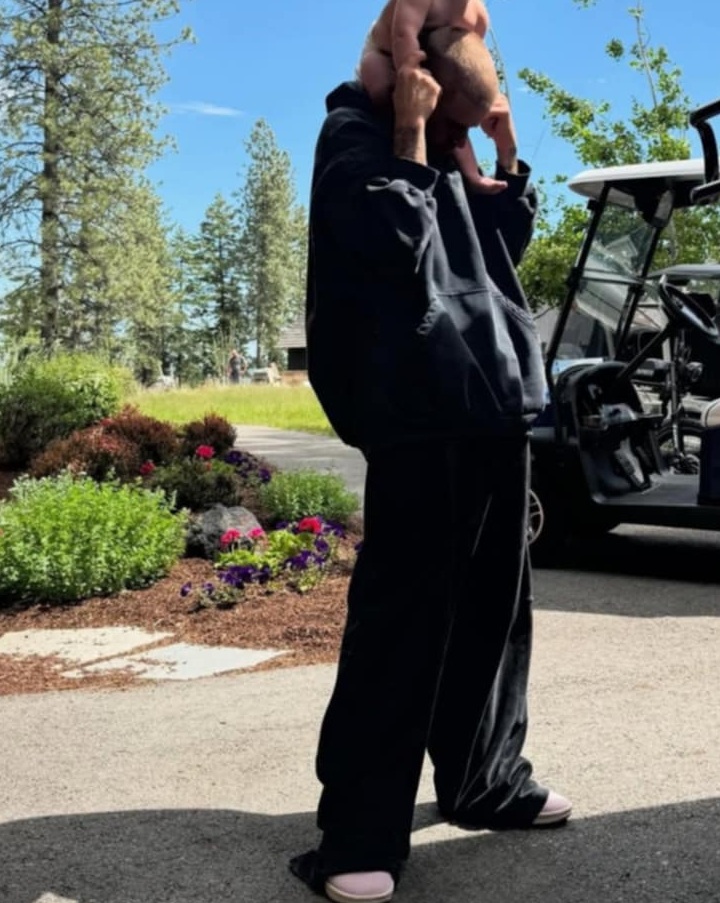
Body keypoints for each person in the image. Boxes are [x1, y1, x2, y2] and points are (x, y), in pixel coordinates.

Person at [290, 25, 571, 903]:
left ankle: (485, 780)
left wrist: (506, 153)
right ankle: (359, 832)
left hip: (493, 400)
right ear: (408, 82)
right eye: (450, 121)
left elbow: (503, 245)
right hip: (417, 414)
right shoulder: (355, 133)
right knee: (402, 619)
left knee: (495, 609)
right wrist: (414, 135)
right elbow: (387, 243)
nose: (456, 138)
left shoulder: (449, 150)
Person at [358, 0, 507, 194]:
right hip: (389, 57)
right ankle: (393, 132)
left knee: (459, 118)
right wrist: (413, 80)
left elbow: (472, 52)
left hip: (440, 73)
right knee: (378, 82)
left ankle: (473, 175)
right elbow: (404, 34)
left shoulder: (478, 15)